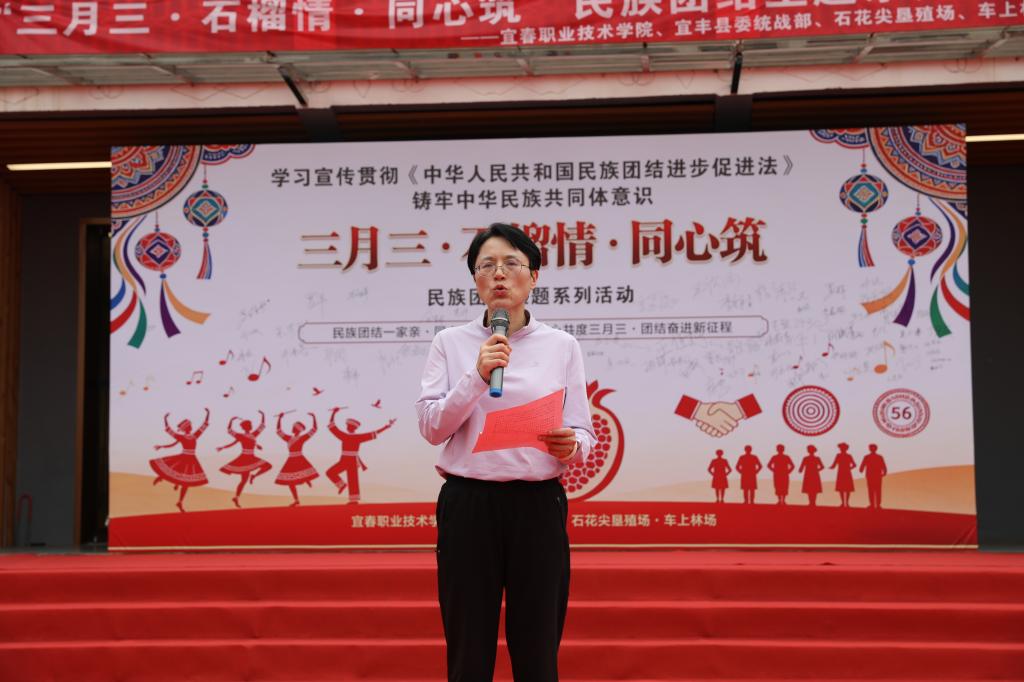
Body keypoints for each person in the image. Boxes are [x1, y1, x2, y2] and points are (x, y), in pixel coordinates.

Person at [416, 223, 597, 682]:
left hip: (537, 506)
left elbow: (584, 431)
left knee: (537, 648)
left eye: (511, 263)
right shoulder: (449, 343)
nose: (499, 274)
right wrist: (477, 376)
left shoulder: (562, 346)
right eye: (487, 265)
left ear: (533, 276)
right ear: (475, 279)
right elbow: (432, 427)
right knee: (469, 648)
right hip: (468, 505)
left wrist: (572, 444)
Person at [326, 408, 396, 504]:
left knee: (335, 474)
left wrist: (334, 413)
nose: (347, 427)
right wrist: (387, 426)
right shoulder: (356, 437)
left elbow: (332, 426)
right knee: (350, 478)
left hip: (348, 460)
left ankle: (347, 492)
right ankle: (349, 494)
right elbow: (375, 433)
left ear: (350, 427)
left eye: (348, 425)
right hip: (351, 460)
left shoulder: (344, 436)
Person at [150, 408, 210, 513]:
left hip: (191, 459)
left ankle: (180, 501)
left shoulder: (193, 436)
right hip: (185, 458)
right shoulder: (187, 436)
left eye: (190, 425)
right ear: (187, 428)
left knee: (185, 481)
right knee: (179, 475)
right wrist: (165, 419)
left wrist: (208, 413)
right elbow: (169, 430)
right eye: (189, 426)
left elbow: (204, 425)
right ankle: (164, 480)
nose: (191, 427)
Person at [216, 410, 271, 508]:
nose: (251, 426)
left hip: (250, 458)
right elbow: (230, 431)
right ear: (247, 427)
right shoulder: (244, 435)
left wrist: (263, 415)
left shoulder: (251, 435)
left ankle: (239, 494)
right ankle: (237, 496)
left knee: (266, 467)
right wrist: (231, 420)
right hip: (245, 458)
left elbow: (262, 426)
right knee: (244, 480)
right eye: (250, 425)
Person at [274, 412, 320, 507]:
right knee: (290, 482)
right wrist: (279, 418)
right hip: (292, 460)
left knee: (291, 481)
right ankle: (297, 499)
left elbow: (314, 429)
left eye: (293, 427)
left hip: (298, 459)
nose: (292, 428)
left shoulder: (299, 438)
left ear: (296, 429)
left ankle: (304, 483)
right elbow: (278, 431)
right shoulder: (290, 438)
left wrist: (314, 417)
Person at [860, 443, 888, 509]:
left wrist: (884, 472)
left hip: (873, 475)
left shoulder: (868, 457)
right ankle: (876, 504)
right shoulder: (878, 457)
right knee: (876, 490)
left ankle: (874, 504)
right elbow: (884, 466)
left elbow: (862, 467)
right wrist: (884, 472)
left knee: (873, 490)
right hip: (875, 475)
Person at [830, 442, 857, 508]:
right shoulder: (847, 456)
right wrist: (849, 468)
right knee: (845, 489)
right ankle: (845, 503)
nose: (841, 449)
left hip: (842, 473)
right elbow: (854, 465)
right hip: (846, 473)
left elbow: (834, 465)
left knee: (843, 488)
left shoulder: (840, 455)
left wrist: (831, 467)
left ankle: (844, 503)